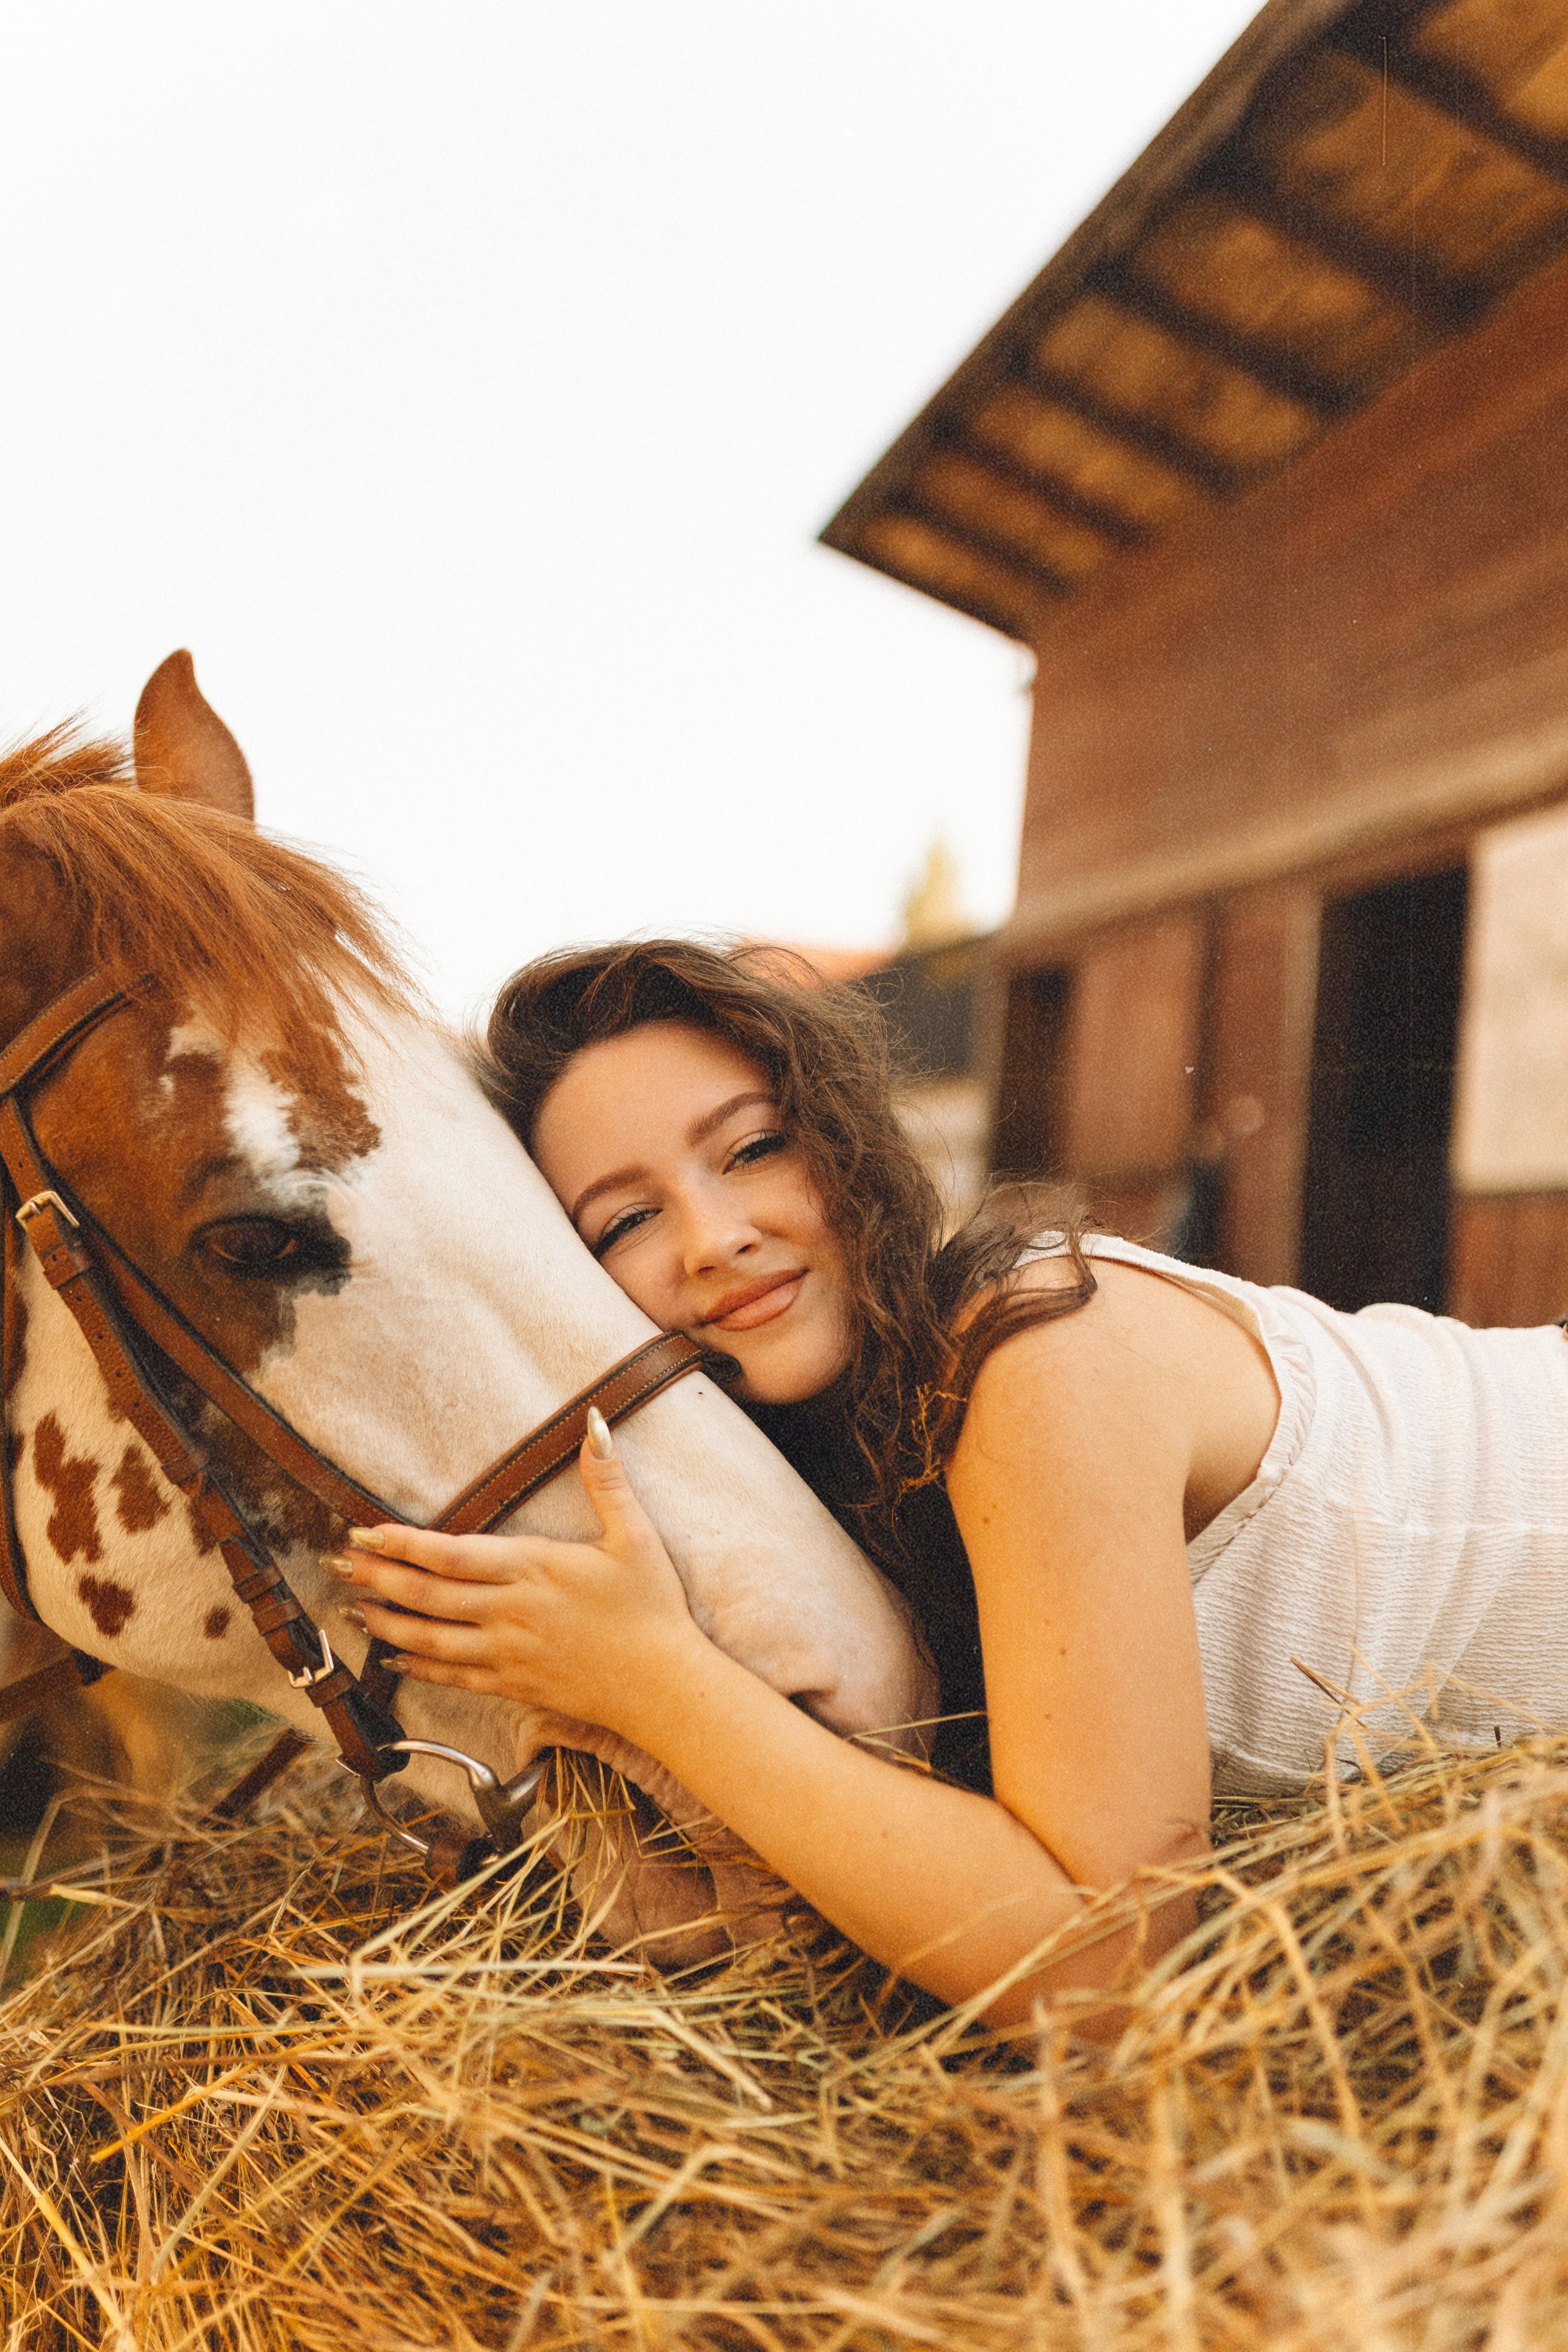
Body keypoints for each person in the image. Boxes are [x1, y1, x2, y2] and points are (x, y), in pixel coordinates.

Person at [329, 941, 1568, 2027]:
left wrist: (652, 1681)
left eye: (753, 1148)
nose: (711, 1238)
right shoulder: (800, 1467)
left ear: (845, 1139)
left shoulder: (1033, 1366)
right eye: (620, 1224)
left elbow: (1101, 1971)